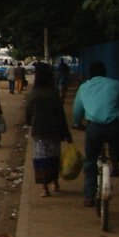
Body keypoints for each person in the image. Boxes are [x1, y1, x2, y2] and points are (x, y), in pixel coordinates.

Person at [72, 61, 119, 207]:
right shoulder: (115, 85)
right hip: (114, 127)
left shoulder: (84, 87)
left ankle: (88, 196)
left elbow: (77, 111)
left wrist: (77, 123)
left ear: (89, 73)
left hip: (93, 129)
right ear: (105, 72)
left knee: (91, 161)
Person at [25, 64, 73, 197]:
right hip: (54, 131)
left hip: (39, 131)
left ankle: (44, 187)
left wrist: (30, 123)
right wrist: (67, 134)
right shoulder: (53, 94)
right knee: (54, 158)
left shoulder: (33, 94)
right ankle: (55, 183)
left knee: (41, 159)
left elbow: (28, 114)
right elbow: (61, 115)